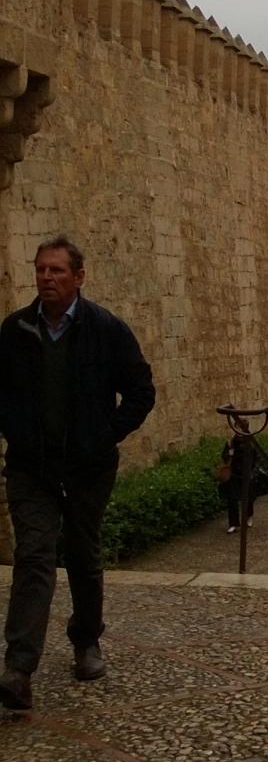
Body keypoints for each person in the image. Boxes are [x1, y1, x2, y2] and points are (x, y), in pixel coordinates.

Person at [0, 234, 155, 711]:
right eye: (41, 269)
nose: (46, 277)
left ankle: (86, 640)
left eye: (57, 270)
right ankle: (18, 669)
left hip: (89, 467)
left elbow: (140, 392)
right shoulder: (16, 329)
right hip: (32, 468)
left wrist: (103, 436)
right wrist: (16, 432)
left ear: (79, 277)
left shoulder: (106, 329)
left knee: (83, 555)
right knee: (34, 556)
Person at [221, 416, 257, 533]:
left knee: (249, 498)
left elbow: (255, 458)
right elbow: (224, 456)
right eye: (237, 427)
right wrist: (229, 454)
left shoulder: (250, 441)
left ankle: (249, 515)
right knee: (232, 499)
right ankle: (233, 523)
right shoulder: (231, 441)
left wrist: (251, 469)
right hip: (234, 473)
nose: (239, 430)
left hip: (246, 473)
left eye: (241, 428)